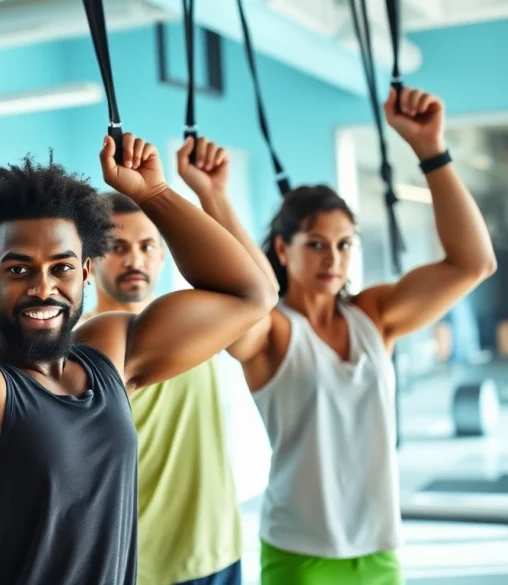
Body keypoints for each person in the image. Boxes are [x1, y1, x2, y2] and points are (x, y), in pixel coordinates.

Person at [0, 134, 278, 585]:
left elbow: (251, 294)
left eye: (62, 267)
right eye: (18, 269)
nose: (43, 287)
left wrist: (154, 194)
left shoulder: (108, 354)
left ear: (87, 271)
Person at [195, 89, 496, 585]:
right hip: (298, 554)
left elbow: (474, 263)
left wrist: (430, 149)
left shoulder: (374, 314)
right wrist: (214, 198)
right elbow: (251, 289)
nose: (332, 259)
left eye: (343, 244)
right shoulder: (269, 332)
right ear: (282, 250)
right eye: (315, 245)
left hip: (378, 549)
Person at [80, 136, 253, 585]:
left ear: (163, 252)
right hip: (136, 567)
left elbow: (256, 294)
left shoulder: (199, 322)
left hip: (216, 551)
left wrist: (211, 195)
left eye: (148, 245)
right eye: (117, 248)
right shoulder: (80, 348)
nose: (135, 258)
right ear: (89, 260)